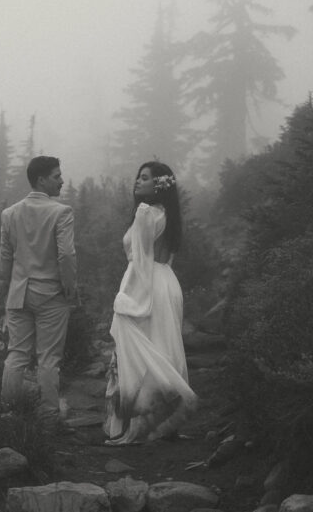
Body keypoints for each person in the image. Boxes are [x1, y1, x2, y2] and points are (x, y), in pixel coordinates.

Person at [103, 161, 197, 445]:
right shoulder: (167, 214)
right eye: (138, 176)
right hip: (167, 282)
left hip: (147, 284)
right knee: (162, 347)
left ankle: (141, 421)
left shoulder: (145, 213)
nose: (137, 181)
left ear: (158, 184)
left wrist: (131, 301)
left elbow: (142, 261)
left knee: (138, 350)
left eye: (145, 178)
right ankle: (164, 417)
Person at [0, 155, 77, 420]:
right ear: (41, 180)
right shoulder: (61, 212)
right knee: (49, 358)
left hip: (18, 295)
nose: (61, 181)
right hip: (51, 293)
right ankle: (50, 416)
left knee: (16, 355)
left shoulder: (10, 214)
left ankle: (10, 413)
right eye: (56, 176)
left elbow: (4, 260)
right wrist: (71, 290)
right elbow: (66, 255)